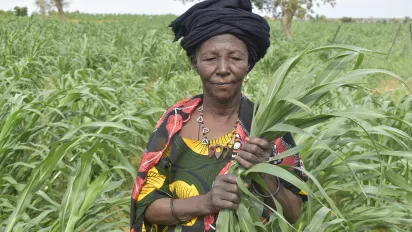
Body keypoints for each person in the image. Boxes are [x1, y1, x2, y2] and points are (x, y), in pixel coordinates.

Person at [130, 0, 308, 231]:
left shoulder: (267, 129)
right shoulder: (174, 123)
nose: (223, 69)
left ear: (249, 63)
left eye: (235, 58)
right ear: (195, 63)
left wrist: (264, 170)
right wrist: (206, 202)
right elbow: (146, 207)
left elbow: (293, 214)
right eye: (211, 59)